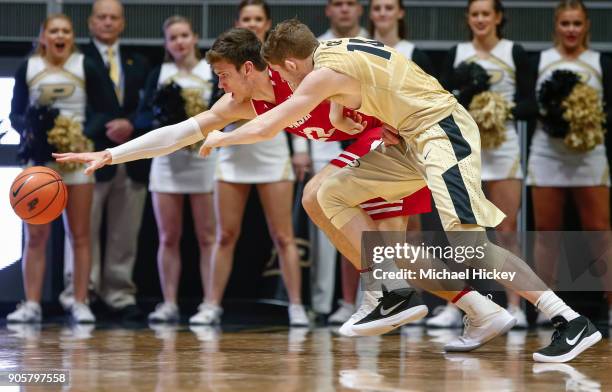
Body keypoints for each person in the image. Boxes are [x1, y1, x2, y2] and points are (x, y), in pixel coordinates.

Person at [197, 19, 602, 363]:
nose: (282, 82)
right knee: (325, 193)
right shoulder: (331, 50)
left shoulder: (320, 73)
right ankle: (401, 292)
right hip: (407, 140)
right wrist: (345, 115)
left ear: (289, 63)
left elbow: (270, 126)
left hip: (442, 133)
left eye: (283, 74)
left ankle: (570, 320)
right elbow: (353, 86)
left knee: (472, 245)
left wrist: (220, 138)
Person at [53, 27, 431, 328]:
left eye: (223, 75)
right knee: (392, 249)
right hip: (374, 144)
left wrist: (390, 119)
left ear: (248, 68)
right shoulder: (241, 103)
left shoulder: (297, 72)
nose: (220, 84)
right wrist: (110, 154)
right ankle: (475, 305)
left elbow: (361, 75)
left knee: (344, 213)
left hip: (392, 136)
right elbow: (181, 132)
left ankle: (400, 294)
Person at [191, 0, 307, 327]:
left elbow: (299, 108)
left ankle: (296, 305)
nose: (253, 23)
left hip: (272, 152)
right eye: (247, 18)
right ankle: (211, 304)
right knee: (225, 235)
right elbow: (213, 113)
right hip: (233, 154)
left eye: (259, 18)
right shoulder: (225, 61)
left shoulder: (279, 62)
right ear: (239, 22)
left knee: (284, 235)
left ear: (267, 23)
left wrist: (301, 147)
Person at [433, 0, 536, 329]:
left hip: (503, 149)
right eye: (474, 14)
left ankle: (516, 304)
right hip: (464, 149)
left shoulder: (514, 51)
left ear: (498, 17)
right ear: (468, 18)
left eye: (485, 14)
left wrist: (497, 109)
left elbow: (529, 103)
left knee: (506, 231)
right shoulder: (456, 52)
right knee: (463, 229)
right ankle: (462, 305)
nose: (480, 19)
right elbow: (442, 99)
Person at [7, 14, 115, 323]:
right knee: (36, 236)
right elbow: (16, 113)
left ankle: (80, 301)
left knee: (80, 234)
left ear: (72, 37)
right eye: (53, 30)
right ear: (43, 37)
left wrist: (82, 136)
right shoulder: (28, 67)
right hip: (39, 163)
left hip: (76, 161)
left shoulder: (86, 66)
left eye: (65, 31)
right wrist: (33, 132)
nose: (60, 35)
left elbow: (106, 110)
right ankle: (31, 304)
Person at [60, 0, 151, 322]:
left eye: (114, 17)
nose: (108, 22)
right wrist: (102, 128)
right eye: (102, 17)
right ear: (91, 22)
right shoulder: (75, 59)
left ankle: (119, 294)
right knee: (82, 229)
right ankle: (80, 292)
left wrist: (130, 125)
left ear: (123, 23)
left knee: (125, 230)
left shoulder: (138, 62)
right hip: (88, 153)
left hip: (131, 153)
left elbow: (147, 106)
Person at [527, 0, 612, 325]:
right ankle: (546, 308)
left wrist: (587, 120)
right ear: (556, 26)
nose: (572, 30)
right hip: (547, 152)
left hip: (589, 154)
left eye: (577, 23)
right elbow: (528, 104)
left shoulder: (600, 61)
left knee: (600, 232)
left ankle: (610, 305)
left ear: (587, 25)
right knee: (547, 232)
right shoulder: (541, 61)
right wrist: (555, 117)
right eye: (566, 23)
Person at [137, 16, 217, 323]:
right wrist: (164, 121)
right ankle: (169, 302)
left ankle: (210, 303)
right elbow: (142, 117)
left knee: (207, 236)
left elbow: (221, 113)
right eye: (173, 38)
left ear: (195, 37)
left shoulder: (210, 71)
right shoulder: (159, 73)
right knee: (168, 236)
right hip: (167, 162)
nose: (180, 42)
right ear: (166, 44)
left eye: (185, 35)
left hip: (204, 160)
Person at [314, 0, 372, 327]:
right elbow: (301, 100)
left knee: (374, 227)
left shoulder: (373, 46)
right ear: (328, 10)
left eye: (351, 3)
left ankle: (379, 296)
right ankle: (344, 300)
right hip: (328, 142)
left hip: (372, 139)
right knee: (336, 225)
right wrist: (302, 149)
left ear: (359, 10)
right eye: (338, 4)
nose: (345, 10)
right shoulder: (316, 48)